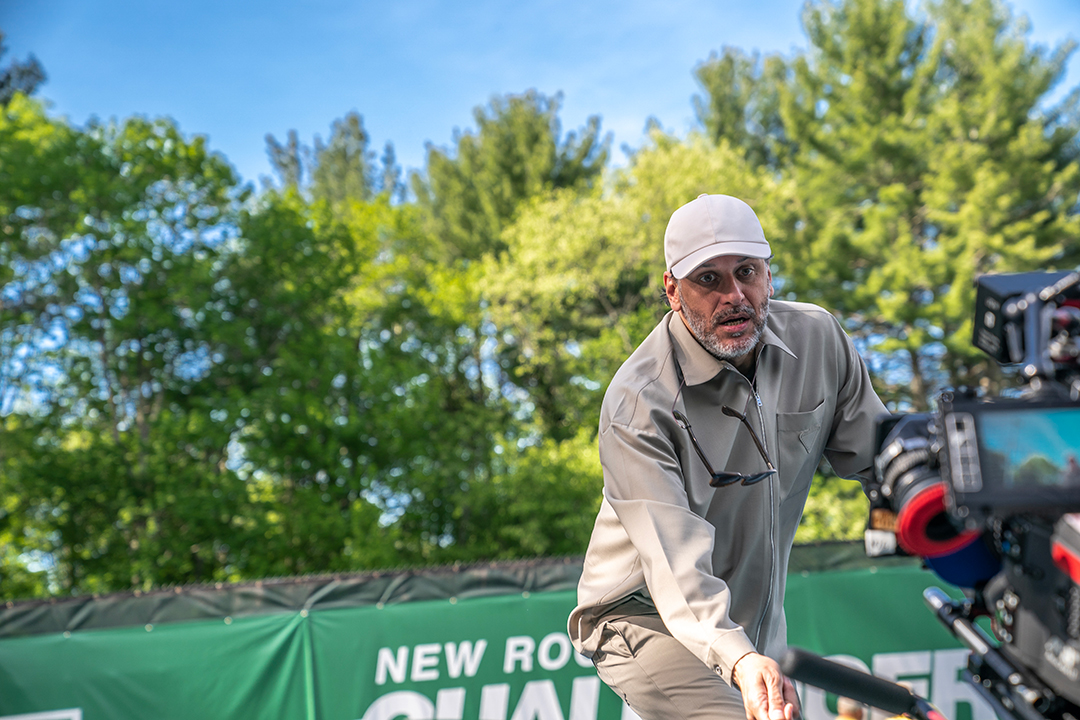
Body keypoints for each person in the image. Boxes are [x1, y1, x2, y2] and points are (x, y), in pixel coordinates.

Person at [568, 194, 888, 720]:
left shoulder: (820, 339)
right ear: (672, 290)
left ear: (769, 274)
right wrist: (740, 659)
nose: (734, 296)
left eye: (747, 272)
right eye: (709, 280)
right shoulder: (637, 405)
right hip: (642, 618)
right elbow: (676, 569)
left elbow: (883, 460)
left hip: (750, 626)